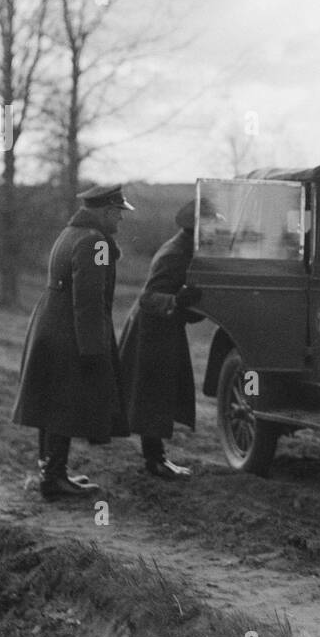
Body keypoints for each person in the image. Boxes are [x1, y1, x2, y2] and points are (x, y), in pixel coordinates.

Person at [12, 184, 133, 500]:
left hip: (53, 324)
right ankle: (53, 478)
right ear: (106, 211)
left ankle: (52, 472)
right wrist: (94, 349)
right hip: (69, 330)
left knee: (53, 401)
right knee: (63, 403)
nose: (120, 221)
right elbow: (89, 301)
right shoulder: (92, 241)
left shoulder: (72, 233)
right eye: (119, 214)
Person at [118, 201, 206, 479]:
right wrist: (178, 300)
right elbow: (149, 297)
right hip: (152, 331)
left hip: (161, 328)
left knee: (155, 394)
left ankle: (155, 458)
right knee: (152, 395)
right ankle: (155, 461)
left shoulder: (183, 247)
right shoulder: (177, 252)